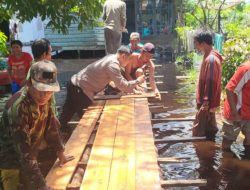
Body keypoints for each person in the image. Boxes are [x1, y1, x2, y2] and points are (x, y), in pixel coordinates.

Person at [0, 60, 73, 190]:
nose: (44, 95)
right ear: (29, 84)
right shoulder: (18, 108)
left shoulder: (44, 98)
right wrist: (42, 185)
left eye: (49, 91)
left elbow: (52, 125)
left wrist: (60, 152)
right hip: (10, 161)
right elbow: (24, 154)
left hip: (29, 155)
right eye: (40, 90)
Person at [59, 46, 145, 132]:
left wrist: (132, 90)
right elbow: (122, 85)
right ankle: (74, 139)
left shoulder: (111, 57)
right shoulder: (113, 64)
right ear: (123, 56)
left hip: (74, 83)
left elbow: (115, 83)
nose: (129, 62)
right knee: (88, 121)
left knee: (67, 113)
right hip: (81, 89)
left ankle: (61, 133)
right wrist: (137, 81)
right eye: (129, 59)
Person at [192, 28, 223, 140]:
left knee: (198, 132)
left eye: (196, 43)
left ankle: (205, 155)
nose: (195, 46)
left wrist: (206, 101)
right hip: (209, 102)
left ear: (203, 43)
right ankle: (211, 153)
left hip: (207, 103)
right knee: (210, 130)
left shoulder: (211, 59)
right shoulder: (210, 56)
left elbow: (211, 81)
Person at [222, 61, 250, 157]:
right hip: (236, 111)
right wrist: (235, 114)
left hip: (248, 113)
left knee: (249, 140)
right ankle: (226, 164)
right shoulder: (246, 69)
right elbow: (229, 89)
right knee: (227, 142)